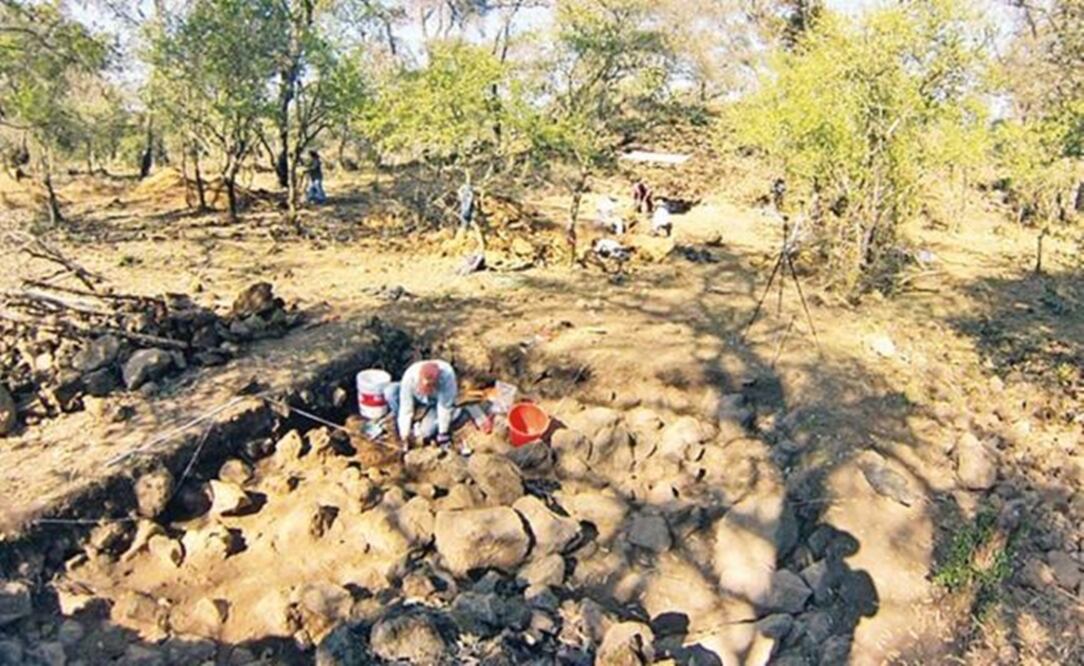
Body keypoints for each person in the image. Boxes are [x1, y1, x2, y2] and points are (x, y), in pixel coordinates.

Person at [383, 360, 461, 452]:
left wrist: (443, 433)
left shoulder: (447, 377)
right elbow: (406, 408)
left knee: (426, 432)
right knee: (390, 391)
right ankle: (403, 423)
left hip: (434, 403)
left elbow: (444, 407)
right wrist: (404, 436)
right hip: (416, 398)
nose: (426, 389)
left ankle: (453, 413)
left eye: (429, 388)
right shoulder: (410, 376)